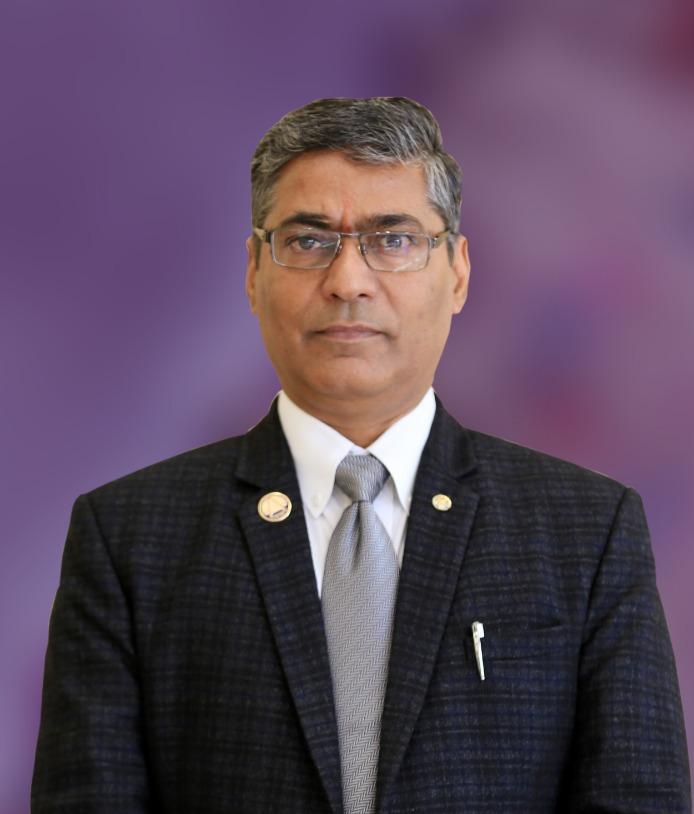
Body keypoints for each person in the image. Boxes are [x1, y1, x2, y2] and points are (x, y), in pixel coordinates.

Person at [32, 97, 690, 813]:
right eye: (308, 240)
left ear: (458, 271)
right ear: (253, 271)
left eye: (394, 239)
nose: (348, 280)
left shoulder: (586, 532)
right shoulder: (130, 539)